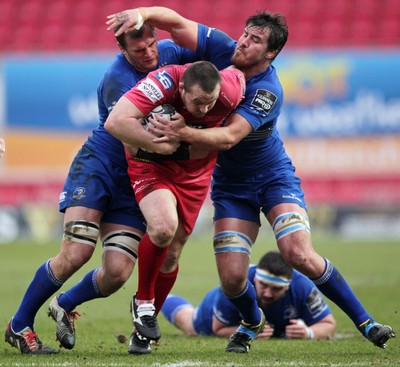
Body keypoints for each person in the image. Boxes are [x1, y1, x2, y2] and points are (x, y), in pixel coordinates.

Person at [107, 7, 395, 353]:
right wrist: (140, 12)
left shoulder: (267, 90)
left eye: (255, 41)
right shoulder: (225, 50)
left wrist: (181, 132)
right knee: (231, 280)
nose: (243, 43)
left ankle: (366, 322)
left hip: (273, 178)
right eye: (245, 34)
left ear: (270, 53)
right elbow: (177, 24)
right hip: (231, 186)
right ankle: (251, 321)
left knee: (298, 253)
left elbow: (229, 137)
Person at [4, 23, 204, 355]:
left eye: (152, 44)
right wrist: (176, 145)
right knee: (76, 252)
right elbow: (129, 141)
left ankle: (65, 304)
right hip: (100, 166)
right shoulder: (118, 78)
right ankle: (20, 323)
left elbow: (211, 50)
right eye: (139, 50)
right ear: (123, 50)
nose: (150, 53)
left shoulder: (170, 52)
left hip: (135, 180)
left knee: (117, 272)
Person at [104, 60, 245, 344]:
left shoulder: (232, 88)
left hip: (195, 174)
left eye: (211, 102)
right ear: (181, 89)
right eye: (197, 102)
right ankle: (143, 302)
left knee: (172, 253)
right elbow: (115, 122)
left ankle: (142, 333)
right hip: (152, 165)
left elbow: (240, 74)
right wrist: (157, 145)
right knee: (163, 227)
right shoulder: (163, 83)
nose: (204, 110)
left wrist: (181, 139)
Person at [162, 251, 336, 340]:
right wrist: (249, 332)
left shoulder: (303, 287)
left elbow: (328, 323)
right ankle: (160, 296)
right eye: (264, 285)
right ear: (256, 279)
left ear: (288, 286)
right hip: (213, 313)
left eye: (276, 288)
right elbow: (219, 329)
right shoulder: (236, 284)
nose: (268, 293)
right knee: (190, 324)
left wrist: (309, 332)